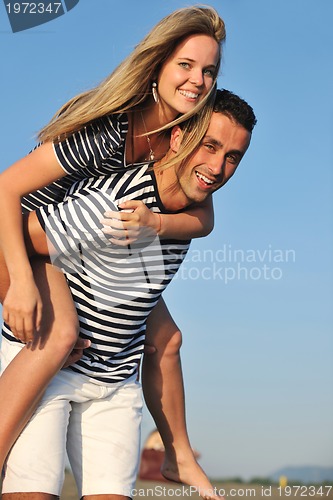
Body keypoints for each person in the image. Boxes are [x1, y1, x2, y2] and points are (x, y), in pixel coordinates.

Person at [0, 5, 226, 495]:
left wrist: (155, 223)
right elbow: (6, 188)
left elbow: (203, 217)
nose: (197, 80)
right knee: (60, 333)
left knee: (167, 339)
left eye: (209, 70)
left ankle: (178, 455)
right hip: (25, 241)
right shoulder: (110, 129)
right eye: (186, 65)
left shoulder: (183, 139)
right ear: (159, 63)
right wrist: (18, 282)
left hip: (95, 254)